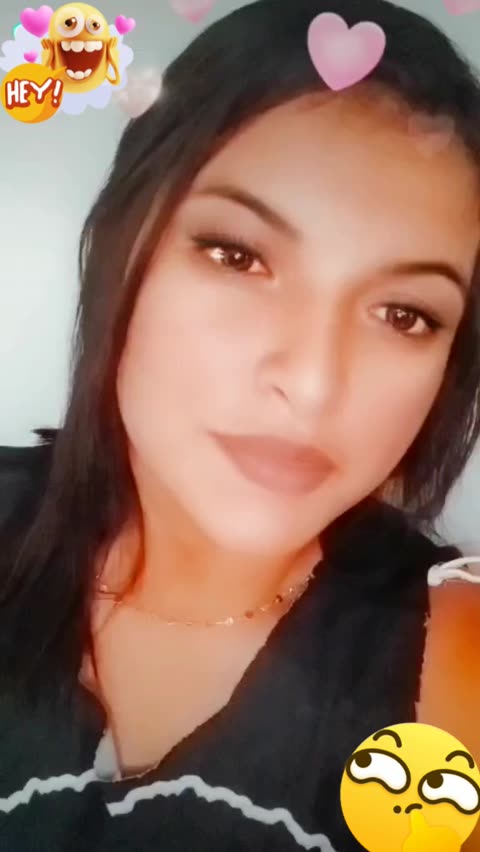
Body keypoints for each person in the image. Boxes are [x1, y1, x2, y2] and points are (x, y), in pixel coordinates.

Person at [1, 0, 480, 849]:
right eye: (238, 255)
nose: (313, 383)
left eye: (404, 314)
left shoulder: (457, 661)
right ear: (124, 250)